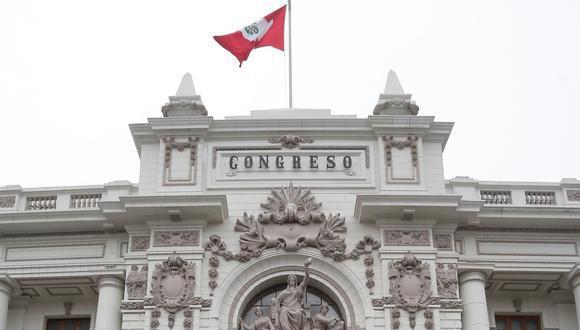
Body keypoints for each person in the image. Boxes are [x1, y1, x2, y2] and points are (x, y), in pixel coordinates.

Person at [272, 258, 312, 330]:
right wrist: (275, 301)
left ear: (295, 281)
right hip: (286, 309)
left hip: (297, 309)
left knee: (299, 313)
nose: (292, 281)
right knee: (283, 311)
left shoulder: (298, 290)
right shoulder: (284, 292)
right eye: (290, 280)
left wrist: (306, 267)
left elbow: (305, 280)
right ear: (288, 281)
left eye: (293, 280)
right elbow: (277, 300)